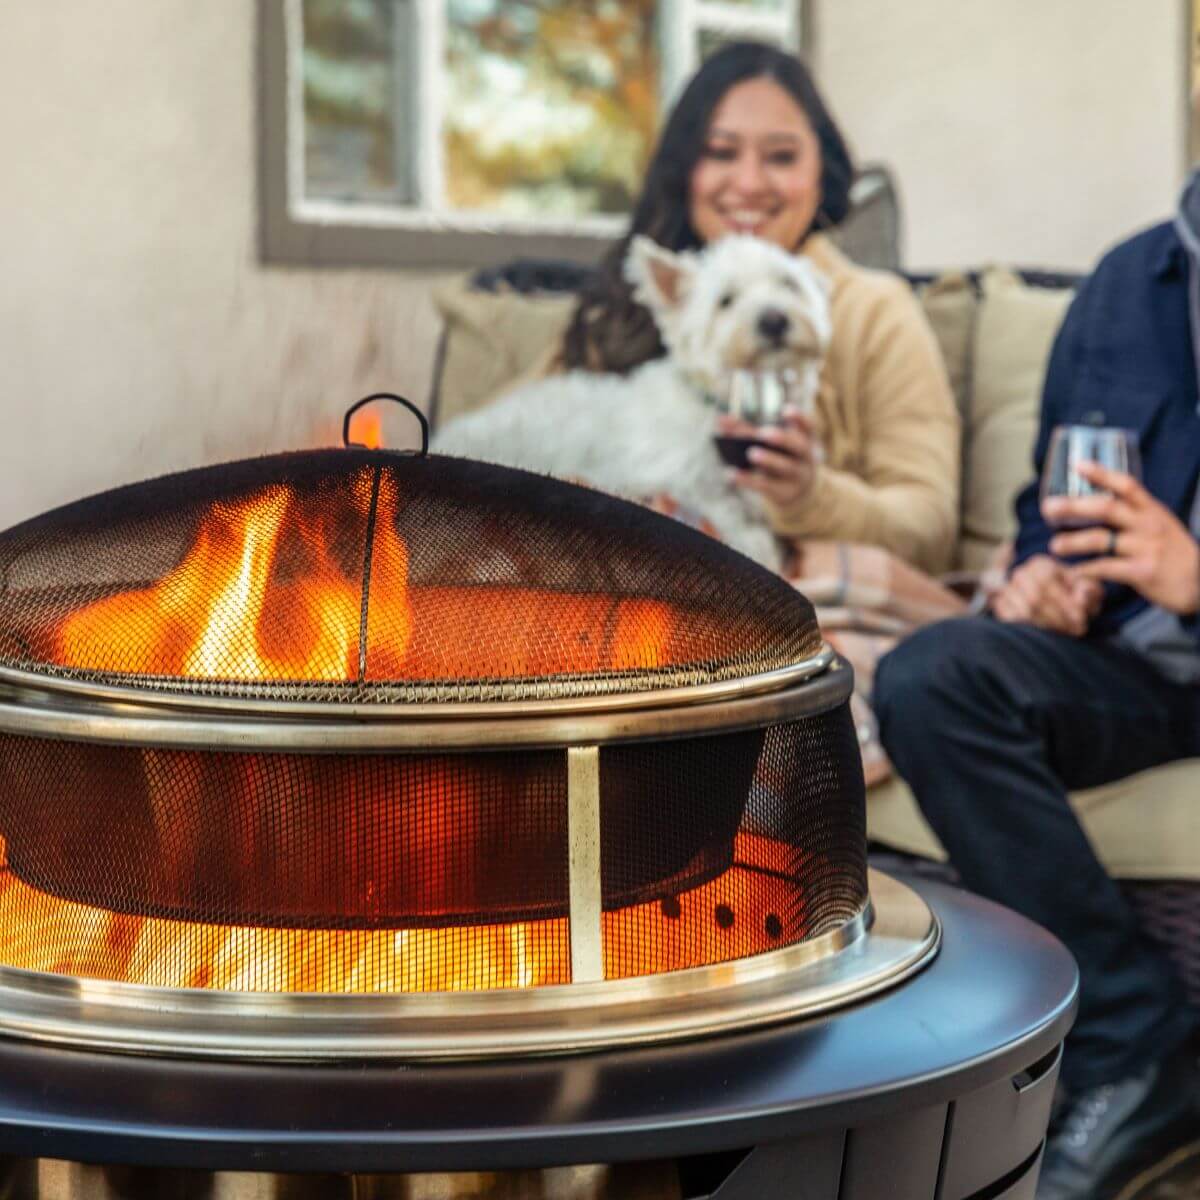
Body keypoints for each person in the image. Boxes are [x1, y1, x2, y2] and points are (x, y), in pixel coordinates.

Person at [873, 178, 1200, 1200]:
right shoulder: (1124, 284)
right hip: (1131, 667)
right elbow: (1047, 500)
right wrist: (1039, 579)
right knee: (932, 675)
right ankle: (1135, 1030)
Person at [556, 41, 960, 575]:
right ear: (684, 172)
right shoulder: (626, 302)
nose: (748, 184)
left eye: (781, 157)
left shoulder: (874, 311)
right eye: (722, 153)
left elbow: (928, 528)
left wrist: (808, 495)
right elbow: (517, 440)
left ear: (822, 172)